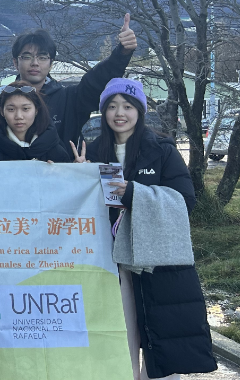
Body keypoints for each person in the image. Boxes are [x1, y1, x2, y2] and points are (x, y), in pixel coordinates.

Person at [83, 79, 216, 380]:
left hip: (154, 260)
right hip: (107, 259)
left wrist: (134, 193)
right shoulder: (91, 151)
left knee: (163, 337)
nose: (120, 113)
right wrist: (76, 173)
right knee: (118, 335)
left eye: (127, 106)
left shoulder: (162, 149)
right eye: (112, 106)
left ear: (140, 111)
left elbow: (184, 201)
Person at [1, 14, 138, 155]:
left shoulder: (70, 99)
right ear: (15, 62)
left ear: (51, 64)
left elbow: (96, 81)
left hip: (64, 168)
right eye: (27, 57)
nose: (35, 63)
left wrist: (122, 53)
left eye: (42, 57)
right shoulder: (1, 103)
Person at [0, 81, 70, 163]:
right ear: (2, 111)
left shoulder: (56, 151)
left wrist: (75, 168)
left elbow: (66, 174)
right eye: (11, 109)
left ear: (36, 110)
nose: (19, 116)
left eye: (25, 109)